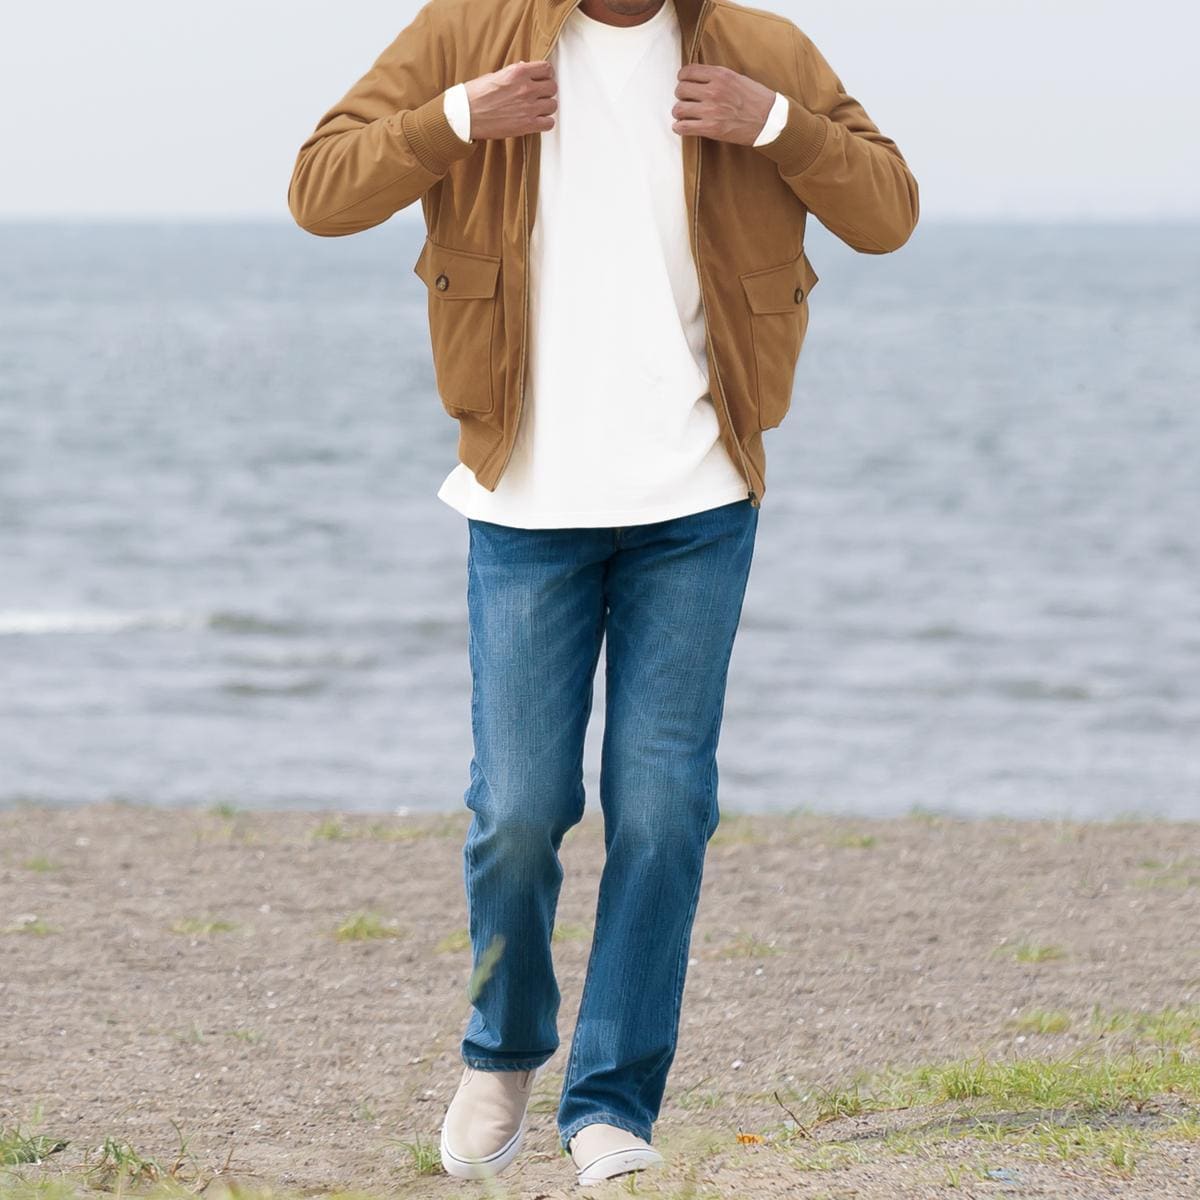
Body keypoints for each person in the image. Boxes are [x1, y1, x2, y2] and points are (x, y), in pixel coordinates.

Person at [288, 0, 918, 1185]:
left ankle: (612, 1103)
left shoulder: (761, 49)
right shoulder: (468, 33)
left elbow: (889, 213)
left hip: (699, 499)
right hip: (527, 505)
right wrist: (460, 116)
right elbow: (319, 191)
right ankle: (502, 1049)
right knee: (519, 809)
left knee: (663, 809)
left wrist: (774, 124)